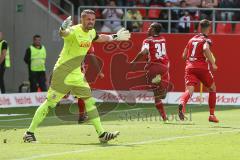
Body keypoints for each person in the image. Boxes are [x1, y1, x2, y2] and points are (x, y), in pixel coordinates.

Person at [23, 9, 131, 143]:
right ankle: (29, 133)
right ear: (82, 20)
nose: (91, 22)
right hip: (62, 72)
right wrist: (62, 28)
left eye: (93, 19)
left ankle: (102, 134)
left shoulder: (91, 32)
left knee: (89, 101)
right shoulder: (74, 31)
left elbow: (100, 37)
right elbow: (64, 33)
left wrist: (115, 37)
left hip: (76, 74)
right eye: (88, 19)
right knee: (50, 104)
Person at [178, 19, 219, 123]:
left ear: (199, 27)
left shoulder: (191, 39)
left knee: (189, 90)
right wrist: (212, 63)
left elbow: (183, 56)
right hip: (202, 67)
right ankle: (211, 115)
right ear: (209, 28)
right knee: (212, 88)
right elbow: (205, 49)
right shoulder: (206, 40)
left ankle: (182, 103)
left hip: (189, 67)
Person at [131, 23, 170, 121]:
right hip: (164, 67)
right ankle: (164, 118)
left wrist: (133, 62)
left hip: (154, 67)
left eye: (149, 28)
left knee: (157, 96)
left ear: (153, 29)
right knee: (162, 95)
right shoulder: (163, 39)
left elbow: (144, 52)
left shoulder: (147, 40)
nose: (147, 29)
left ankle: (164, 116)